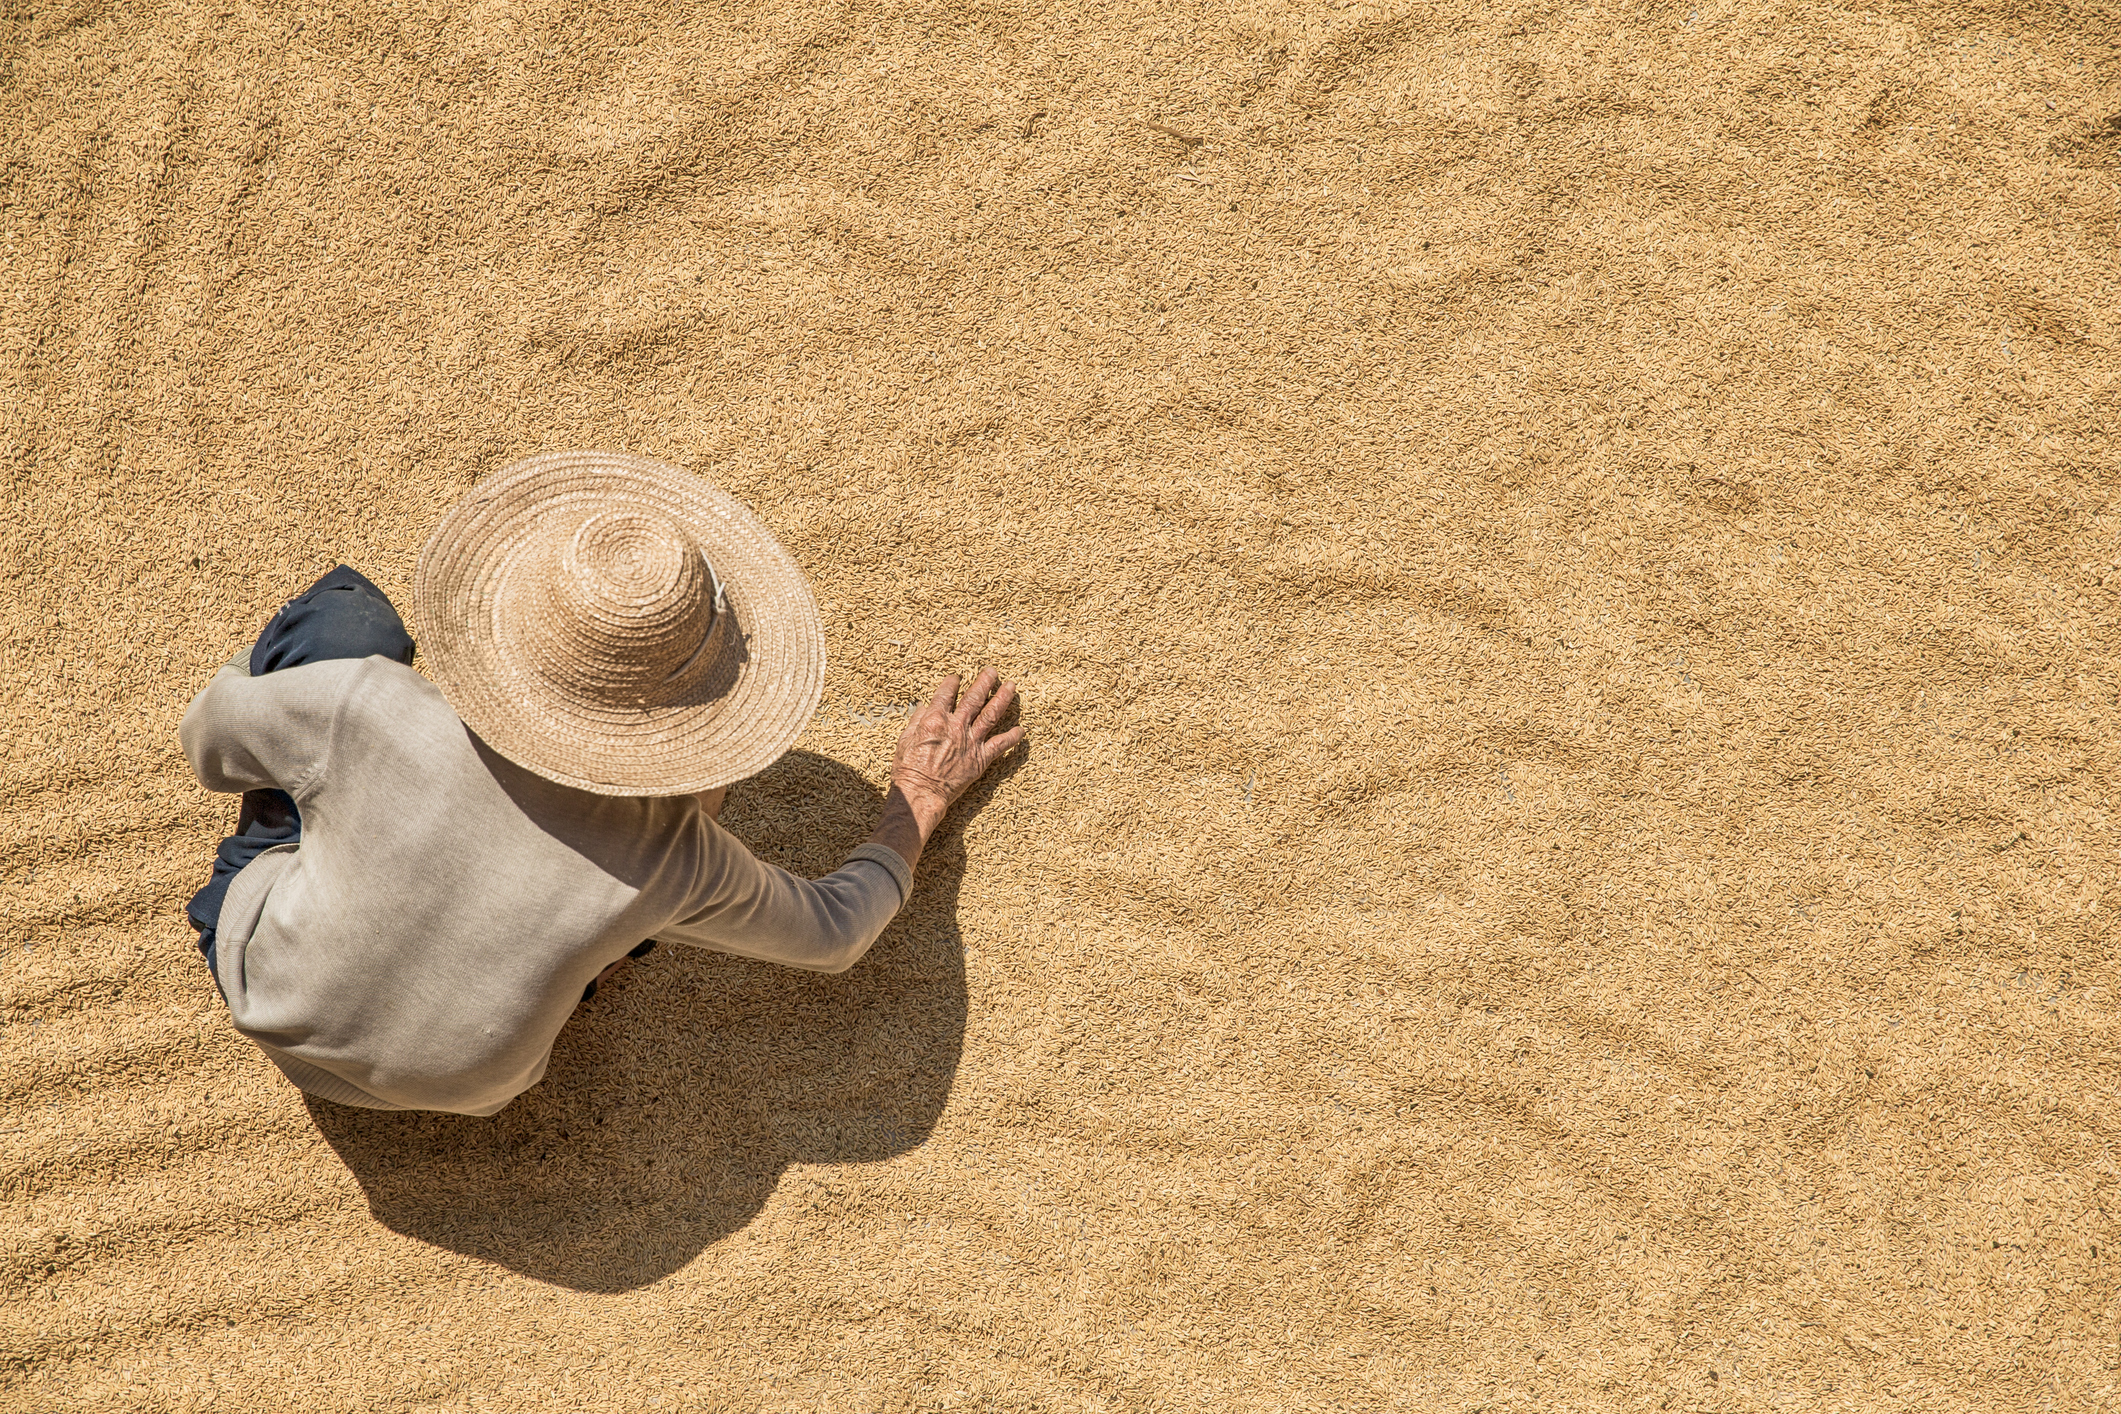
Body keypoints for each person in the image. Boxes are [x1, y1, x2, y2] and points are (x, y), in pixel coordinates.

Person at [179, 450, 1023, 1116]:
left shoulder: (368, 708)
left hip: (266, 994)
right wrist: (920, 792)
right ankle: (593, 950)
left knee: (346, 617)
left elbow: (209, 741)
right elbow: (838, 934)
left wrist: (339, 763)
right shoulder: (680, 855)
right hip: (470, 1087)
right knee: (626, 905)